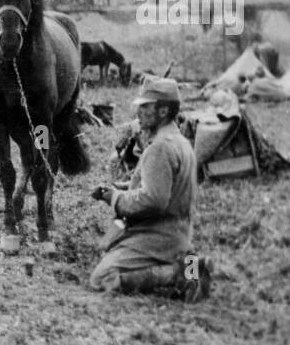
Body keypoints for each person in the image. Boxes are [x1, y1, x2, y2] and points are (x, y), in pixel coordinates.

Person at [88, 77, 212, 302]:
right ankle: (190, 262)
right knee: (109, 249)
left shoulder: (160, 148)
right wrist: (122, 187)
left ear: (163, 111)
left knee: (102, 277)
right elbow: (166, 186)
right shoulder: (180, 142)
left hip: (158, 235)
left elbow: (154, 199)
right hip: (180, 231)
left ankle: (181, 273)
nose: (139, 111)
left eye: (145, 106)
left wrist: (114, 198)